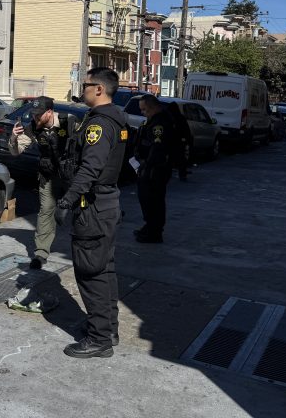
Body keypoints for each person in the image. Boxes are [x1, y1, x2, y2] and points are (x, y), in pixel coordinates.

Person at [56, 68, 128, 359]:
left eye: (85, 84)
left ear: (98, 89)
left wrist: (66, 201)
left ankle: (99, 339)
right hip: (107, 205)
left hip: (94, 208)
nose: (81, 88)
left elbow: (91, 168)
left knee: (90, 273)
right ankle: (108, 328)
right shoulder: (116, 117)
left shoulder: (100, 124)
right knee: (104, 270)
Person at [9, 96, 69, 269]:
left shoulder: (69, 123)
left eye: (39, 115)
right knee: (45, 211)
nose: (35, 118)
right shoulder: (34, 128)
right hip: (48, 175)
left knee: (81, 212)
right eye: (33, 115)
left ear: (49, 112)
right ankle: (41, 253)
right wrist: (14, 138)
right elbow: (16, 151)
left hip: (71, 177)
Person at [133, 95, 175, 243]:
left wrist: (146, 166)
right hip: (149, 167)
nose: (143, 113)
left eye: (145, 109)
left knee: (153, 201)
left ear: (153, 107)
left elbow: (157, 148)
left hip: (154, 169)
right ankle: (150, 226)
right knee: (147, 199)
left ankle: (154, 232)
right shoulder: (153, 120)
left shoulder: (160, 124)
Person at [166, 101, 192, 181]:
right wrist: (187, 140)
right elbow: (186, 130)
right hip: (179, 141)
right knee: (181, 159)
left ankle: (168, 174)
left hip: (171, 141)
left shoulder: (169, 117)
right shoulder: (180, 117)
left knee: (170, 160)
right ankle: (182, 174)